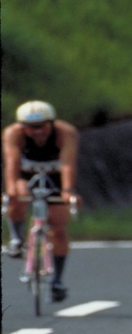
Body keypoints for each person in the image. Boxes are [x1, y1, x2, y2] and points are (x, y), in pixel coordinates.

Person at [3, 100, 80, 302]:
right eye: (31, 128)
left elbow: (67, 163)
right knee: (15, 196)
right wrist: (11, 189)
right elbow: (11, 162)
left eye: (43, 126)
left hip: (54, 178)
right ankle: (17, 238)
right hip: (25, 176)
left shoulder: (65, 133)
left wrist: (67, 191)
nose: (38, 132)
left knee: (59, 228)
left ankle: (57, 281)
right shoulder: (13, 134)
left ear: (52, 123)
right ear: (22, 127)